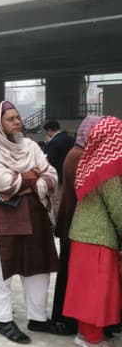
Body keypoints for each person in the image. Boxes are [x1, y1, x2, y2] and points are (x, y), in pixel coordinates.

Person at [0, 101, 59, 344]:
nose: (17, 121)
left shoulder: (30, 145)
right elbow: (6, 184)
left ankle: (38, 318)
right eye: (10, 118)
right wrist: (34, 179)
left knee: (38, 270)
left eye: (17, 117)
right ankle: (5, 321)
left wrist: (29, 182)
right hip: (2, 217)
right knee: (0, 271)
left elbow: (52, 174)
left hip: (35, 216)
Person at [63, 116, 122, 347]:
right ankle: (93, 339)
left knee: (85, 289)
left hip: (83, 235)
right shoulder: (109, 168)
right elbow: (118, 207)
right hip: (98, 237)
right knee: (96, 292)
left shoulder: (91, 161)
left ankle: (84, 334)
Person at [49, 116, 103, 337]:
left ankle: (66, 317)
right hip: (77, 222)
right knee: (72, 274)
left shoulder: (77, 153)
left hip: (73, 219)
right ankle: (67, 319)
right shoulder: (80, 156)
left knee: (69, 272)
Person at [43, 120, 75, 185]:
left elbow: (49, 160)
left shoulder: (53, 142)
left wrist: (47, 145)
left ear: (49, 130)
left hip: (59, 176)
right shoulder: (71, 139)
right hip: (72, 173)